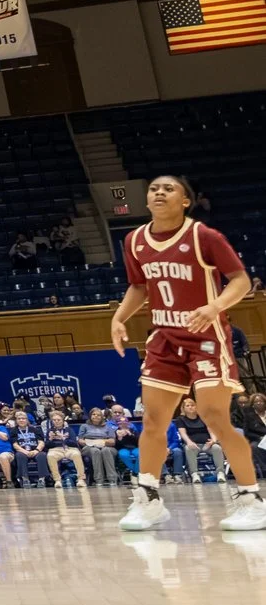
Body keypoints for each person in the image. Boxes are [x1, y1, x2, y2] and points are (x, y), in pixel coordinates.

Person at [111, 175, 264, 532]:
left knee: (215, 417)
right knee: (152, 421)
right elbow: (138, 286)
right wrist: (119, 317)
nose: (159, 192)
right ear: (146, 201)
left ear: (184, 201)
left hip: (206, 336)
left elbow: (240, 280)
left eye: (168, 189)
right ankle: (148, 498)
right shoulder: (134, 240)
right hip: (164, 338)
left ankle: (251, 499)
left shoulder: (204, 236)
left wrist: (215, 306)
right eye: (153, 189)